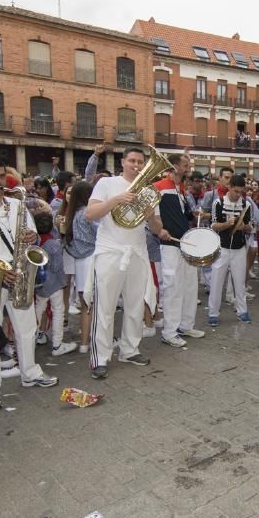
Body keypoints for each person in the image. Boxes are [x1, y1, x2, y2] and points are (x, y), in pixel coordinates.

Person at [0, 155, 57, 414]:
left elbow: (33, 234)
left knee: (27, 327)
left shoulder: (16, 205)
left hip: (20, 272)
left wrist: (32, 235)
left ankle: (30, 372)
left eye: (1, 176)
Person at [84, 149, 162, 379]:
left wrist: (150, 216)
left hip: (137, 252)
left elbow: (157, 229)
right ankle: (100, 357)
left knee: (135, 305)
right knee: (104, 307)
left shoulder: (148, 191)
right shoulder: (107, 183)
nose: (136, 165)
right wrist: (116, 199)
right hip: (109, 251)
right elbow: (90, 214)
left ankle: (130, 349)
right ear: (123, 162)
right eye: (132, 161)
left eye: (140, 162)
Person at [154, 150, 204, 348]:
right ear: (174, 166)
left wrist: (194, 215)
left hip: (185, 243)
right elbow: (154, 215)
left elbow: (181, 215)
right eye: (185, 165)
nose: (188, 168)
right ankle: (169, 332)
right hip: (170, 245)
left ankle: (185, 325)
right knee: (173, 288)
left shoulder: (180, 188)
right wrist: (160, 230)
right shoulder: (158, 187)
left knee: (190, 287)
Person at [207, 175, 254, 326]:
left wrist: (243, 227)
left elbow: (251, 226)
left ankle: (242, 311)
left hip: (239, 249)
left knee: (240, 282)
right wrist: (227, 224)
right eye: (235, 191)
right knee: (216, 282)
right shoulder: (218, 203)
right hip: (221, 249)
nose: (238, 195)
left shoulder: (246, 204)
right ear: (229, 187)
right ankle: (213, 313)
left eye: (241, 192)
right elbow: (213, 226)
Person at [32, 211, 76, 357]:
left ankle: (34, 338)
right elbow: (57, 266)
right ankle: (57, 344)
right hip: (54, 284)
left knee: (38, 309)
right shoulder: (53, 244)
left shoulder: (35, 242)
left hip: (39, 283)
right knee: (58, 311)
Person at [63, 181, 97, 356]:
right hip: (92, 258)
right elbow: (101, 231)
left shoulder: (72, 213)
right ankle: (96, 340)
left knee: (86, 306)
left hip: (80, 262)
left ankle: (84, 343)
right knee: (98, 303)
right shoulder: (87, 213)